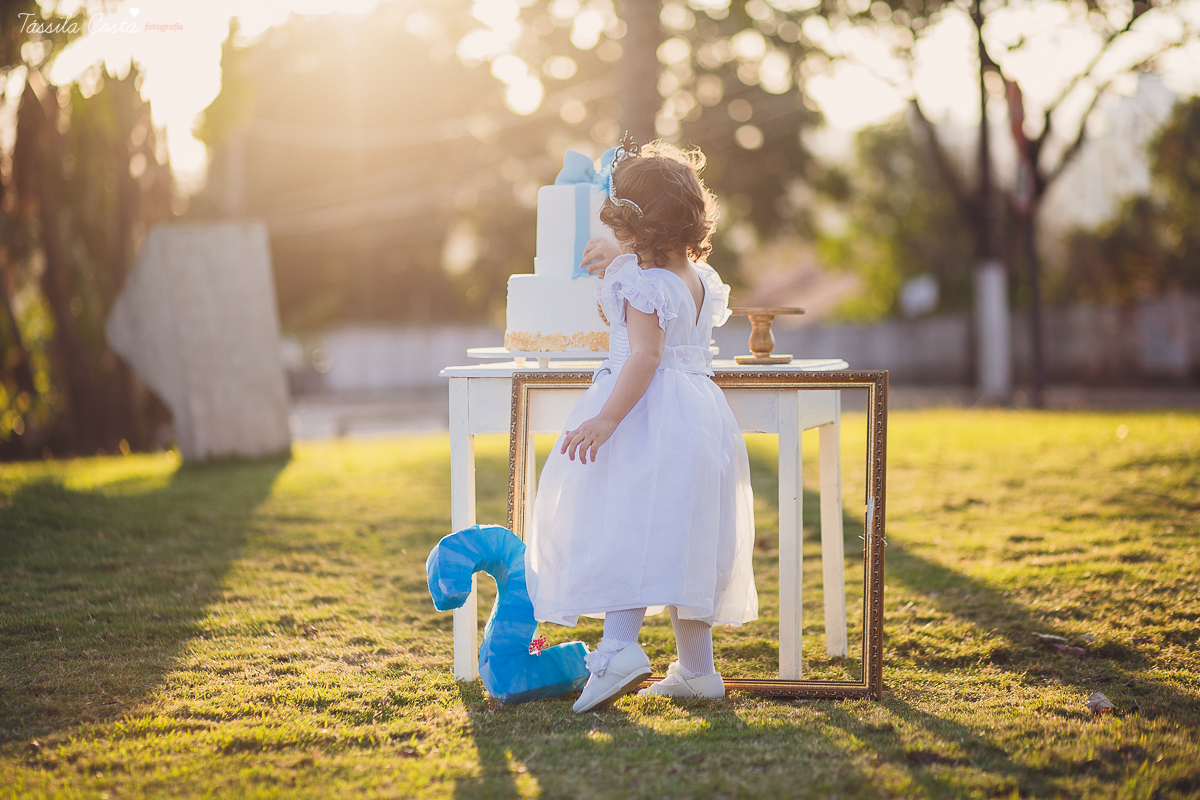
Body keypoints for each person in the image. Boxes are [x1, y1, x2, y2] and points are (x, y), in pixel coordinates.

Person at [524, 139, 758, 713]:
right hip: (700, 415)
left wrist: (606, 418)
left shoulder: (643, 280)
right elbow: (652, 325)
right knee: (686, 540)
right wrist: (620, 263)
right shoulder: (701, 277)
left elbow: (643, 353)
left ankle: (620, 648)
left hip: (644, 412)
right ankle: (698, 671)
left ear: (638, 226)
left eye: (622, 226)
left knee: (625, 524)